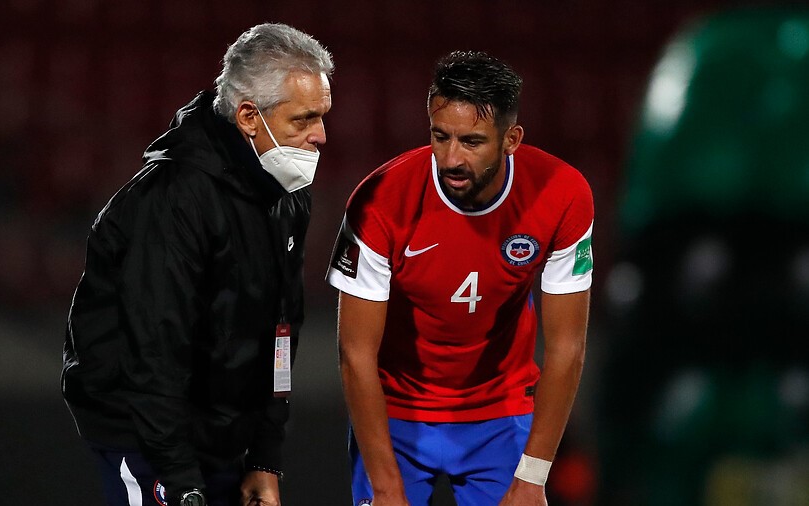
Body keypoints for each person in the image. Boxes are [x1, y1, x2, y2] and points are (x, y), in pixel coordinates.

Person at [61, 23, 333, 506]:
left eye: (322, 117)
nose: (321, 135)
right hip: (147, 439)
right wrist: (178, 474)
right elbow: (154, 346)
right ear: (249, 116)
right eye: (304, 119)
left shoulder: (285, 196)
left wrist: (264, 457)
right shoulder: (173, 199)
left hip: (223, 437)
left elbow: (282, 331)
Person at [326, 51, 593, 506]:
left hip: (502, 413)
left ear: (511, 139)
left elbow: (568, 348)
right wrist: (387, 487)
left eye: (471, 141)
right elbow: (355, 353)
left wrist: (532, 478)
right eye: (439, 136)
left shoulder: (563, 195)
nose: (450, 158)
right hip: (397, 413)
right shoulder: (379, 201)